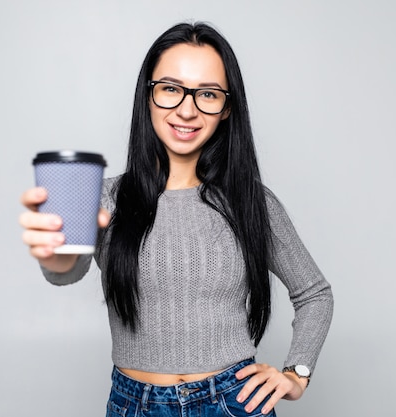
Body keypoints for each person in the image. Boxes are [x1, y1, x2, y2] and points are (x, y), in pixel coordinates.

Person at [20, 22, 333, 416]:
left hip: (233, 403)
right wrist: (54, 255)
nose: (187, 109)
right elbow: (66, 268)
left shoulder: (252, 203)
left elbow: (315, 294)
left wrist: (296, 373)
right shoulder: (108, 197)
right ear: (147, 95)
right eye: (170, 89)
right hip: (135, 404)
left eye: (207, 94)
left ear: (227, 107)